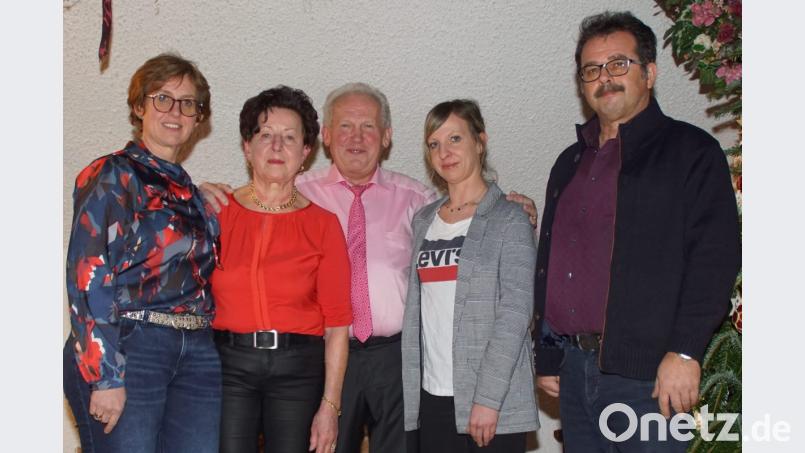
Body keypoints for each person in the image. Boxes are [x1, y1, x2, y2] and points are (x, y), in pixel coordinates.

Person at [201, 82, 538, 453]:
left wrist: (511, 204)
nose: (356, 138)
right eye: (345, 126)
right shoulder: (299, 192)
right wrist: (202, 194)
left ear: (387, 137)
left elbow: (468, 215)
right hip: (326, 358)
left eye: (368, 127)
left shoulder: (420, 203)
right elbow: (257, 198)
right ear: (325, 137)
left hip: (397, 361)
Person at [532, 11, 741, 453]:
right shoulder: (568, 163)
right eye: (592, 69)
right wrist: (549, 354)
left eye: (618, 64)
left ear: (650, 72)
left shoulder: (692, 151)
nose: (604, 78)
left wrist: (685, 353)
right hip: (573, 371)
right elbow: (557, 263)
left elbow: (715, 260)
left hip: (651, 378)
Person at [63, 53, 221, 452]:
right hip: (131, 348)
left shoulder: (189, 194)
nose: (176, 111)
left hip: (197, 352)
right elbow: (88, 275)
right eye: (162, 98)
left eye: (189, 103)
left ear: (198, 119)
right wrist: (106, 375)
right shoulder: (112, 174)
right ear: (139, 106)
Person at [210, 85, 352, 453]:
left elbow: (338, 325)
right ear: (247, 146)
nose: (276, 146)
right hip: (228, 367)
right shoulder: (215, 213)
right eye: (265, 134)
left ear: (306, 152)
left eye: (289, 137)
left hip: (298, 371)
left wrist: (330, 407)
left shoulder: (323, 224)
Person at [401, 99, 539, 453]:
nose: (444, 152)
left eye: (455, 139)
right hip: (433, 396)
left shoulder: (510, 219)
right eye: (434, 144)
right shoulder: (423, 220)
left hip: (488, 401)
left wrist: (488, 398)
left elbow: (515, 313)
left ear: (480, 141)